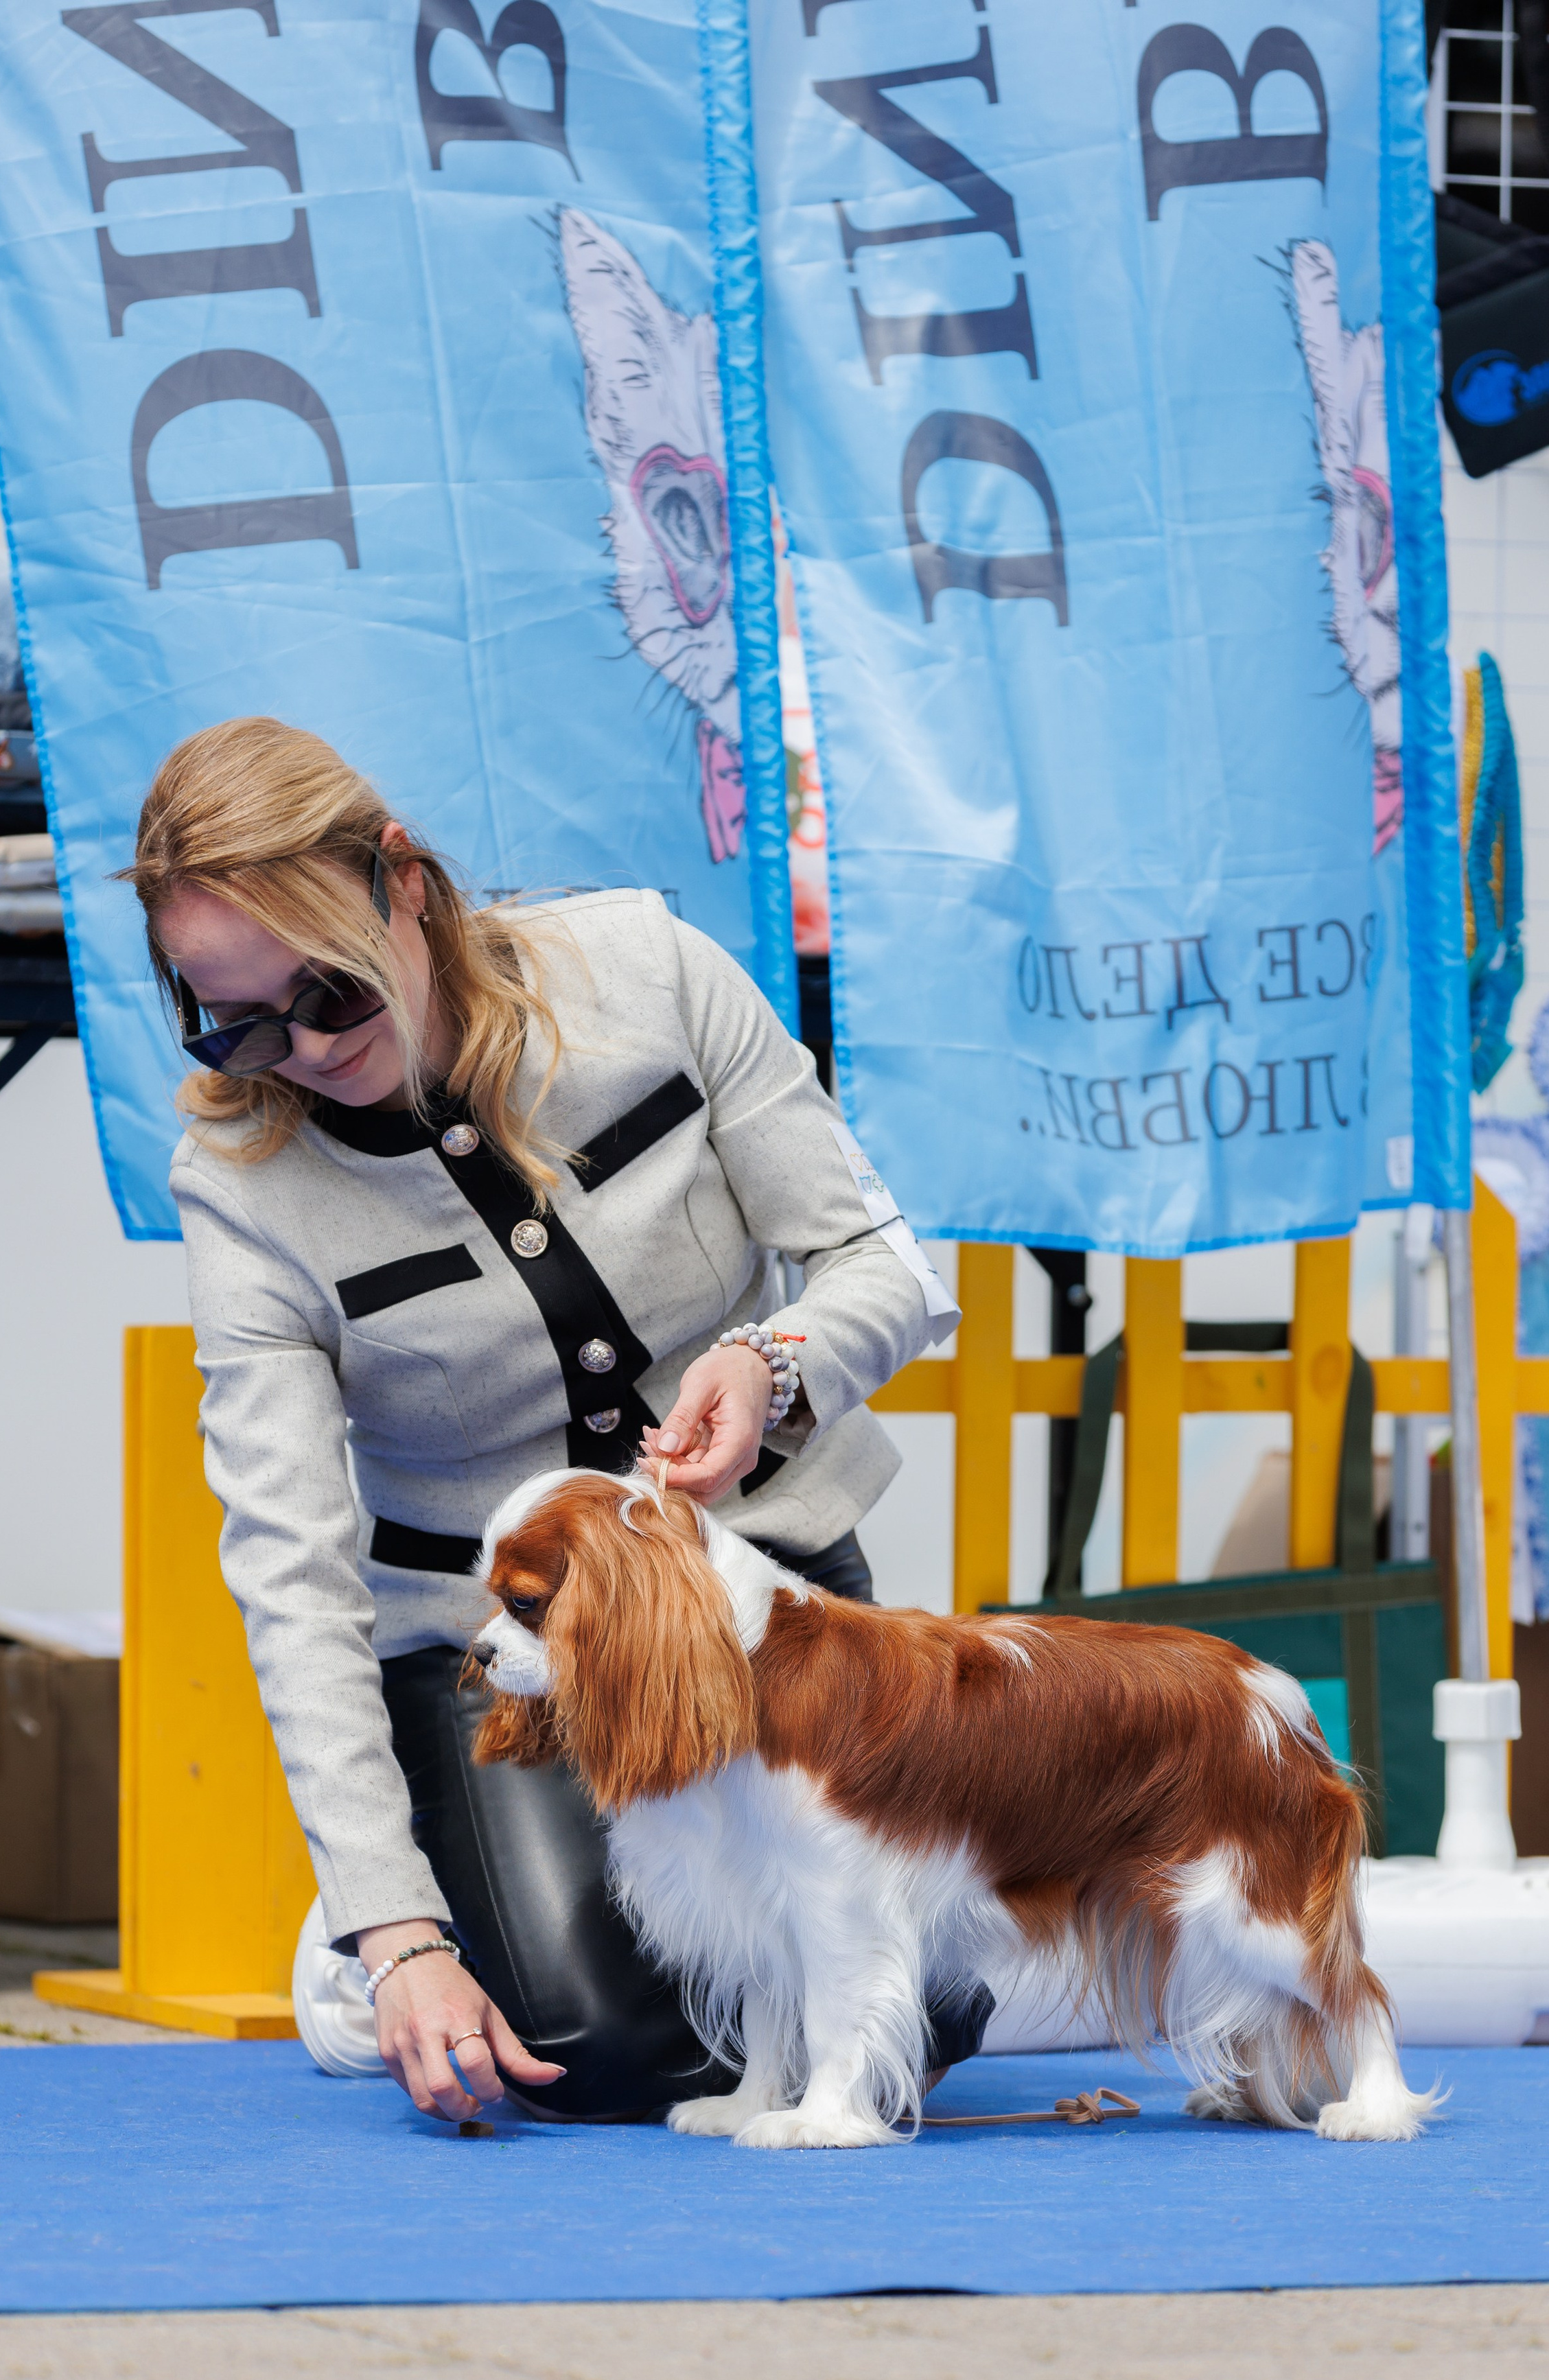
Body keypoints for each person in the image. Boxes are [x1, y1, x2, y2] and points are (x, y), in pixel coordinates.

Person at [121, 715, 977, 2127]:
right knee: (598, 2049)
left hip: (758, 1594)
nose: (301, 1051)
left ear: (404, 880)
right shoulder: (237, 1185)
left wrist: (771, 1361)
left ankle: (510, 1906)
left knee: (913, 2010)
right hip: (491, 1649)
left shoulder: (646, 973)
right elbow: (292, 1576)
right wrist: (394, 1934)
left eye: (328, 993)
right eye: (236, 1020)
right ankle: (396, 1907)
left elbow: (883, 1267)